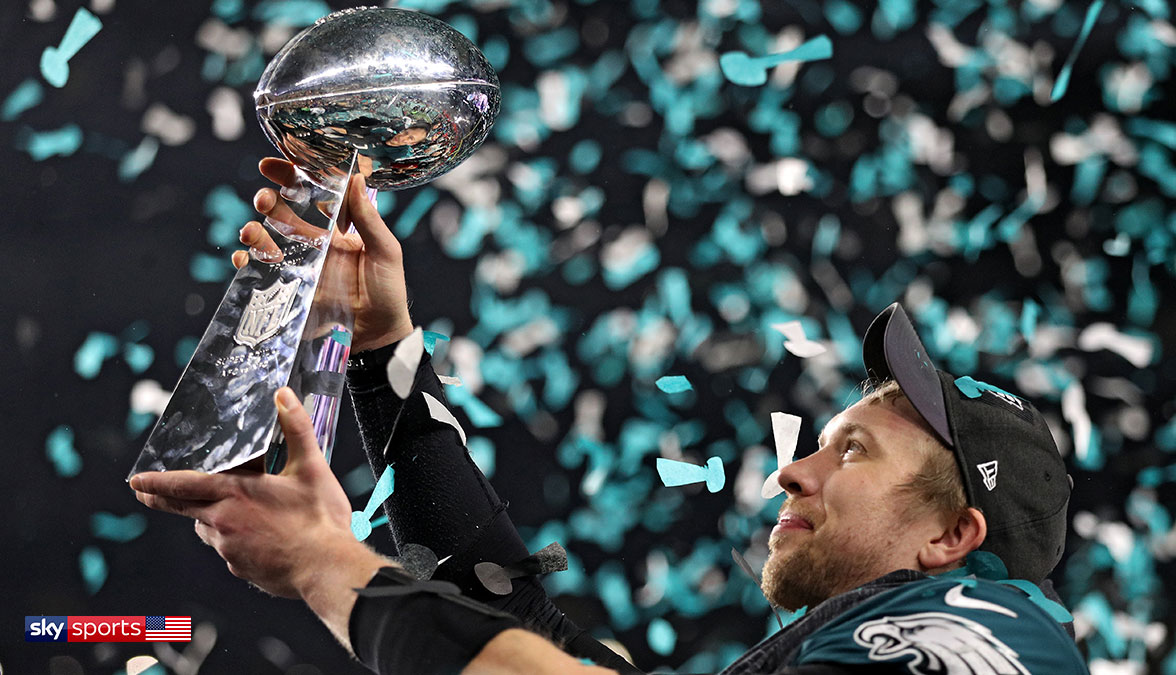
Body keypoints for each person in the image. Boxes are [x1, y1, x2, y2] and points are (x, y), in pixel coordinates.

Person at [131, 158, 1089, 674]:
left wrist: (323, 561)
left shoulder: (995, 631)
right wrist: (384, 350)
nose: (793, 470)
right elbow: (531, 632)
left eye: (854, 449)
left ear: (954, 534)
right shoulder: (846, 643)